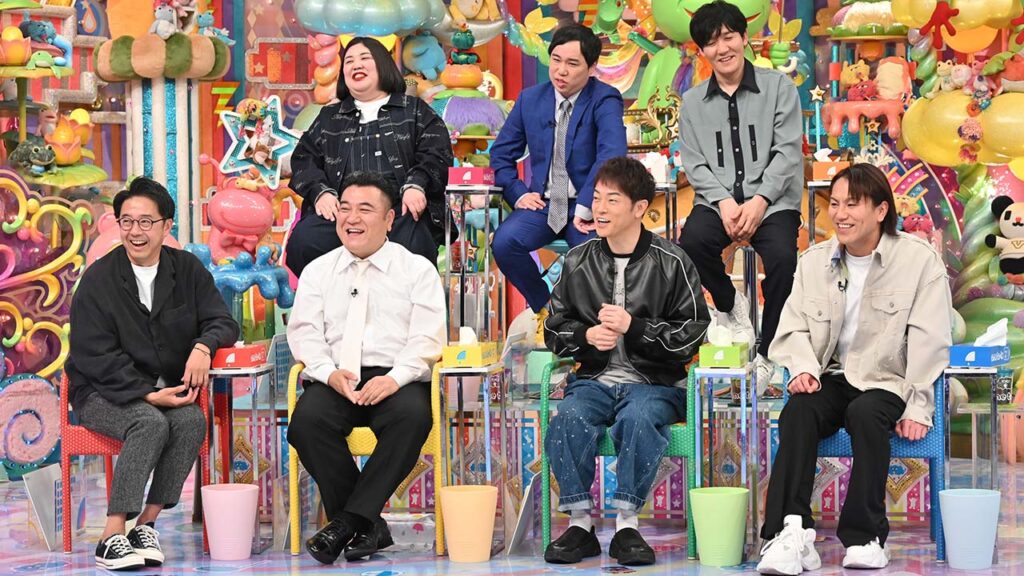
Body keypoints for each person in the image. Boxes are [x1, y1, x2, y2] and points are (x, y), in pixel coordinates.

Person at [757, 164, 952, 574]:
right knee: (799, 411)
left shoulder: (919, 261)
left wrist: (918, 405)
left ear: (881, 210)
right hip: (832, 375)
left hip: (887, 381)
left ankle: (865, 537)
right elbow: (791, 327)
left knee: (866, 413)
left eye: (853, 204)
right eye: (836, 203)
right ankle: (790, 532)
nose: (840, 214)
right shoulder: (813, 262)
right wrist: (803, 368)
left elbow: (930, 340)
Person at [542, 157, 710, 566]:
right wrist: (586, 337)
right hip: (594, 380)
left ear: (639, 208)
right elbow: (552, 329)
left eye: (612, 200)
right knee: (568, 417)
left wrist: (635, 328)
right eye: (597, 198)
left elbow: (692, 334)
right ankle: (580, 524)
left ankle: (626, 525)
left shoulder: (672, 261)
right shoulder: (578, 260)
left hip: (655, 384)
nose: (599, 209)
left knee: (638, 418)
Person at [66, 177, 239, 570]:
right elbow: (93, 354)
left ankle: (145, 525)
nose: (135, 231)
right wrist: (145, 393)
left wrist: (203, 347)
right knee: (149, 423)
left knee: (191, 421)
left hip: (164, 393)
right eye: (127, 222)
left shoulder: (187, 270)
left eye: (145, 222)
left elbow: (222, 321)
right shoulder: (99, 279)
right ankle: (112, 534)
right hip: (102, 391)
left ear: (166, 226)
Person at [287, 171, 446, 564]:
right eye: (345, 208)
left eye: (365, 209)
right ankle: (367, 524)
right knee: (306, 423)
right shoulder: (318, 270)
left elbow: (427, 338)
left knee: (412, 418)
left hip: (397, 378)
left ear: (390, 219)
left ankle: (346, 523)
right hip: (336, 376)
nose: (351, 218)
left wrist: (395, 378)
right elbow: (304, 332)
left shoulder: (416, 270)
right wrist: (328, 372)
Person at [676, 0, 804, 388]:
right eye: (711, 42)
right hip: (719, 202)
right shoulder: (692, 103)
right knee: (691, 243)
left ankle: (769, 351)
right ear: (702, 51)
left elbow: (788, 151)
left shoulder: (779, 88)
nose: (722, 48)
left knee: (782, 258)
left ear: (745, 38)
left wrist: (760, 201)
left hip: (773, 201)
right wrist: (724, 202)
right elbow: (695, 162)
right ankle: (732, 307)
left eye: (729, 37)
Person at [490, 23, 627, 333]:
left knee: (592, 257)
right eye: (556, 60)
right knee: (505, 243)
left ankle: (590, 327)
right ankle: (548, 310)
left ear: (591, 67)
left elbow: (612, 154)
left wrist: (588, 206)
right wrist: (518, 192)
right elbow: (500, 155)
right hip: (544, 205)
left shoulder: (605, 98)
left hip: (587, 205)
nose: (561, 71)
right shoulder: (530, 99)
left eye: (572, 63)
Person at [286, 36, 453, 277]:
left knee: (414, 246)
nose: (356, 65)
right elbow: (304, 159)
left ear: (383, 65)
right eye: (349, 61)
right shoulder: (329, 117)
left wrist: (417, 184)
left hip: (399, 208)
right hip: (341, 211)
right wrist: (320, 192)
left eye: (365, 58)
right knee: (304, 242)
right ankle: (339, 299)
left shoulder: (414, 110)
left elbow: (437, 153)